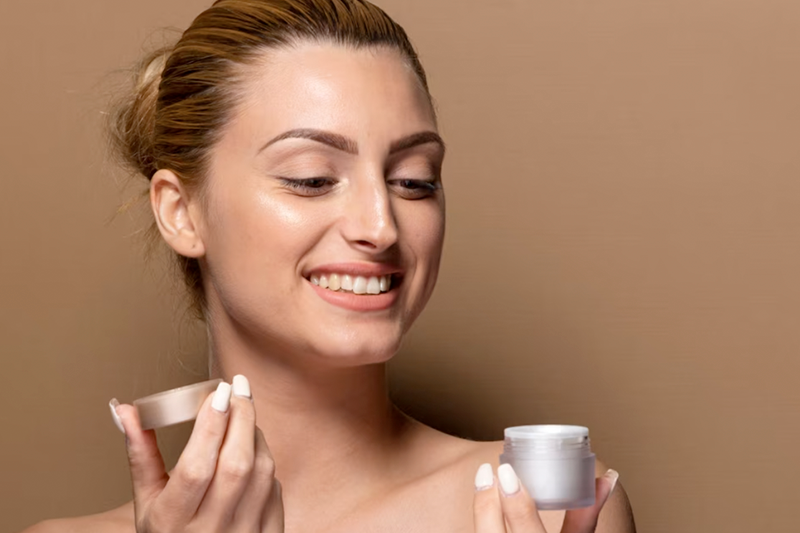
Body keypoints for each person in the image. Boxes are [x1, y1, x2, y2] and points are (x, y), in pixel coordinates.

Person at [23, 1, 635, 531]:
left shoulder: (544, 507)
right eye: (311, 178)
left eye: (413, 181)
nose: (381, 226)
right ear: (181, 212)